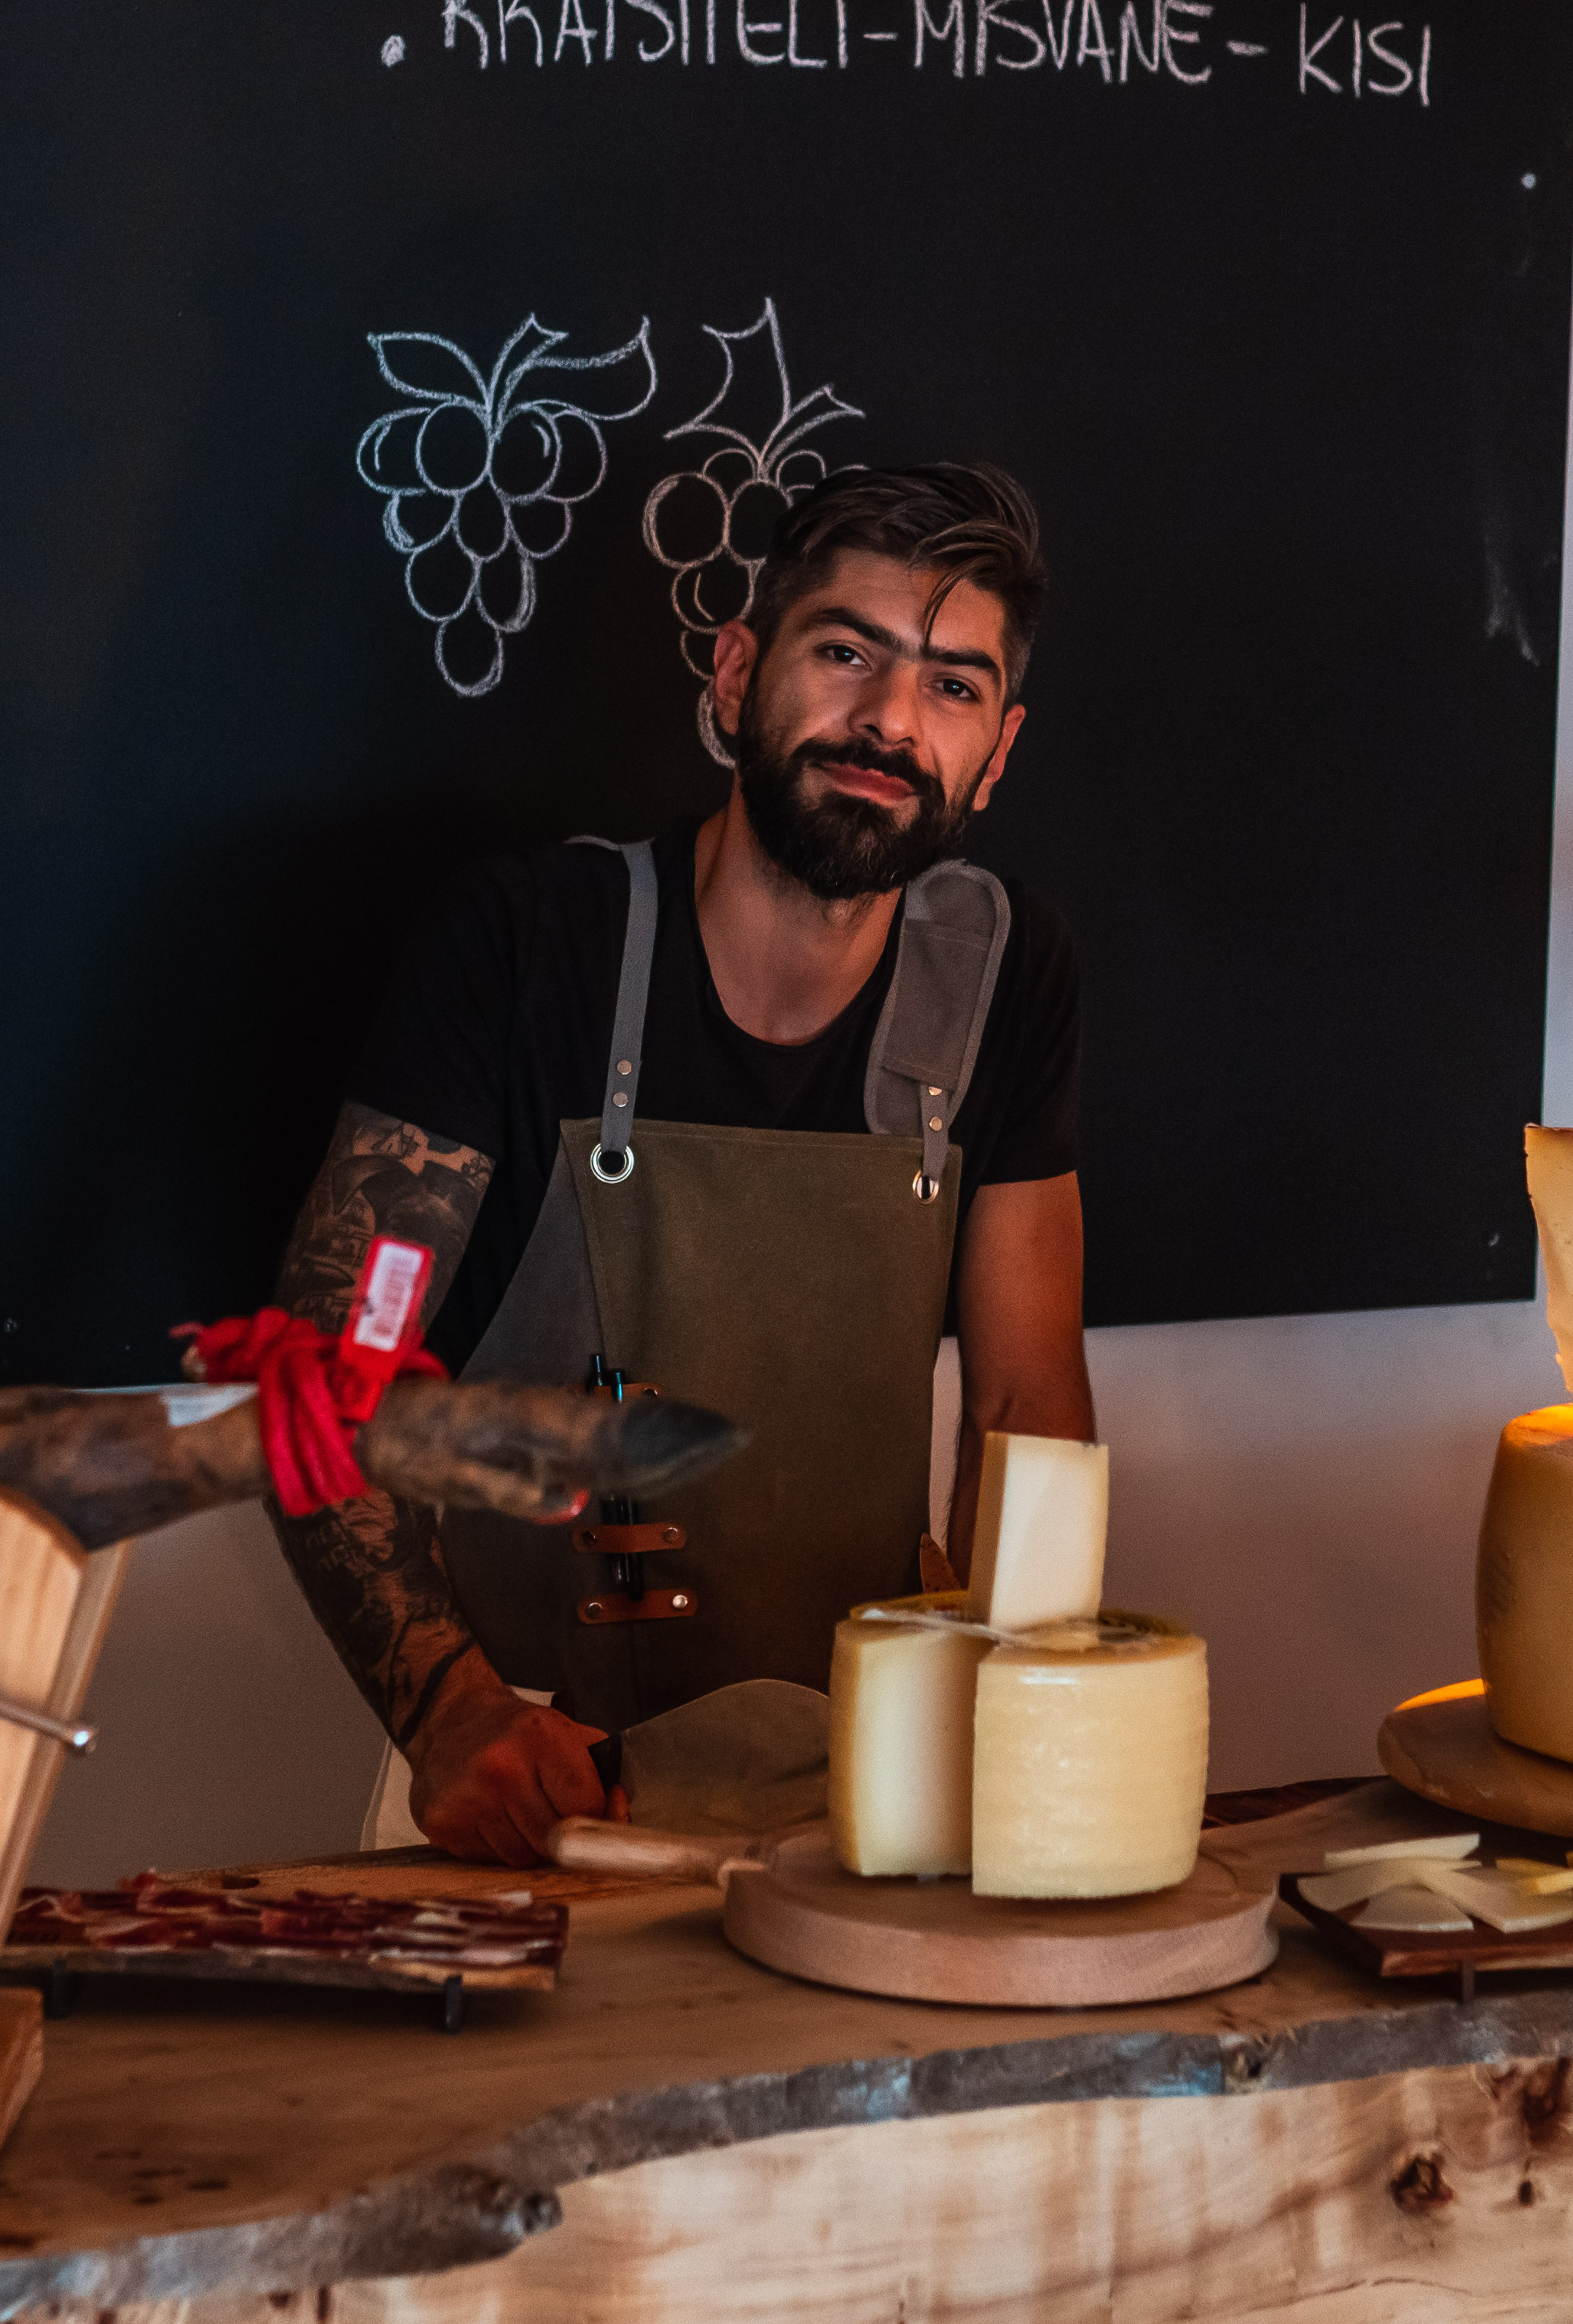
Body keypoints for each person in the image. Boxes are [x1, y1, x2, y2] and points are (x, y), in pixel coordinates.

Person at [263, 463, 1092, 1863]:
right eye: (847, 653)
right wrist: (451, 1711)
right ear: (736, 674)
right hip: (532, 1781)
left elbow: (1025, 1397)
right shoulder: (526, 949)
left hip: (868, 1789)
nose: (891, 722)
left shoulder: (1006, 975)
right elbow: (325, 1368)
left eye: (953, 688)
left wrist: (1030, 1732)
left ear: (997, 754)